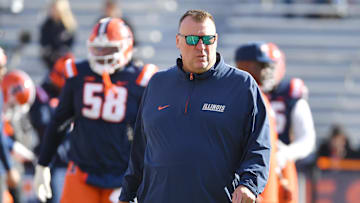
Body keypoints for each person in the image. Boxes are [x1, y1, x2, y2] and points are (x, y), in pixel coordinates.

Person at [118, 10, 271, 203]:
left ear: (216, 40)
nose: (201, 46)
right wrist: (126, 195)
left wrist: (249, 184)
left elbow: (259, 145)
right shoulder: (157, 83)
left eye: (208, 39)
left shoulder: (241, 85)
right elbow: (140, 149)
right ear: (178, 41)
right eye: (192, 39)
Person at [33, 17, 158, 203]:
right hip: (81, 172)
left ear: (126, 47)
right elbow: (60, 121)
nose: (101, 54)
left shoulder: (141, 80)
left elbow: (150, 134)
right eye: (97, 48)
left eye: (108, 49)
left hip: (122, 175)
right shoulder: (78, 74)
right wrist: (42, 164)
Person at [235, 41, 299, 203]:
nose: (269, 71)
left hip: (267, 189)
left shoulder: (260, 97)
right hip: (255, 192)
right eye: (262, 65)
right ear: (245, 65)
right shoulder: (243, 98)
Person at [267, 42, 316, 203]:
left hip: (280, 167)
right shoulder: (242, 90)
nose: (267, 71)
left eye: (272, 66)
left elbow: (307, 140)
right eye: (263, 65)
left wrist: (286, 153)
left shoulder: (290, 93)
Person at [29, 53, 74, 203]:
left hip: (69, 159)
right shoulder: (42, 94)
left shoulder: (74, 94)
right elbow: (43, 125)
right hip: (50, 158)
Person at [39, 0, 77, 70]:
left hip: (64, 60)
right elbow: (44, 42)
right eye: (52, 8)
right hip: (50, 61)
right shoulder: (46, 25)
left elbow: (69, 42)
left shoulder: (68, 25)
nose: (53, 11)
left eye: (55, 8)